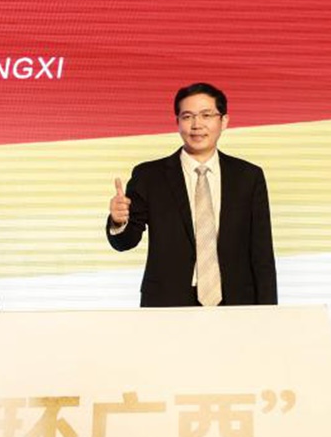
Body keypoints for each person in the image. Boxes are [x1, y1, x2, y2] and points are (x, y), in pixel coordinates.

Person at [106, 82, 277, 307]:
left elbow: (262, 254)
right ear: (177, 122)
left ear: (224, 121)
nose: (197, 125)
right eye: (187, 117)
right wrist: (119, 221)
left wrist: (269, 313)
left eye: (206, 115)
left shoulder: (248, 177)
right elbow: (125, 242)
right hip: (168, 303)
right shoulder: (149, 176)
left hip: (236, 302)